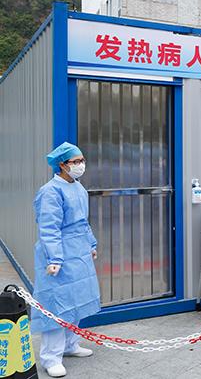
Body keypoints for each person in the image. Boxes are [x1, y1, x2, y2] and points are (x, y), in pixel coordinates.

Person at [32, 142, 101, 378]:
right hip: (59, 252)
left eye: (82, 160)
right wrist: (54, 258)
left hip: (78, 251)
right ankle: (51, 358)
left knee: (76, 300)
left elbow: (82, 222)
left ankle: (71, 345)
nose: (81, 165)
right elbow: (49, 228)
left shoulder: (78, 188)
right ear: (62, 165)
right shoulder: (51, 191)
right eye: (76, 161)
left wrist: (91, 243)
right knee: (57, 305)